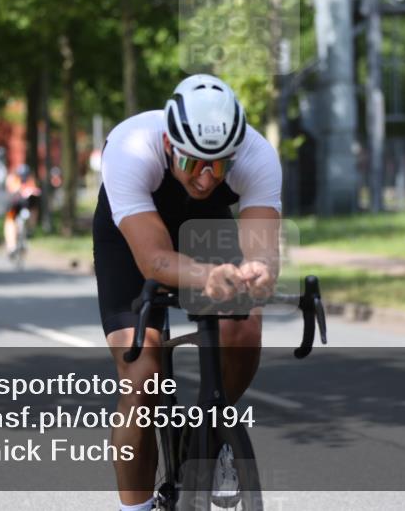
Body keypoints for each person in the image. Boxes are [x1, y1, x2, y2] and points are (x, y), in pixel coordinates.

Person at [94, 74, 282, 511]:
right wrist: (207, 276)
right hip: (134, 237)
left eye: (219, 165)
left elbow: (261, 251)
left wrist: (260, 270)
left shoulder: (256, 154)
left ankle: (211, 439)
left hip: (206, 228)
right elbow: (154, 260)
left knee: (244, 327)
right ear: (169, 143)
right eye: (193, 163)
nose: (206, 179)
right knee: (142, 376)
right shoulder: (130, 147)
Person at [3, 164, 40, 255]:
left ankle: (31, 229)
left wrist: (33, 192)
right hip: (13, 206)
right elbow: (11, 190)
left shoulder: (31, 180)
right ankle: (11, 246)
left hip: (27, 205)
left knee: (34, 209)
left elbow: (36, 191)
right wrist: (20, 190)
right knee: (10, 221)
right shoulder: (13, 179)